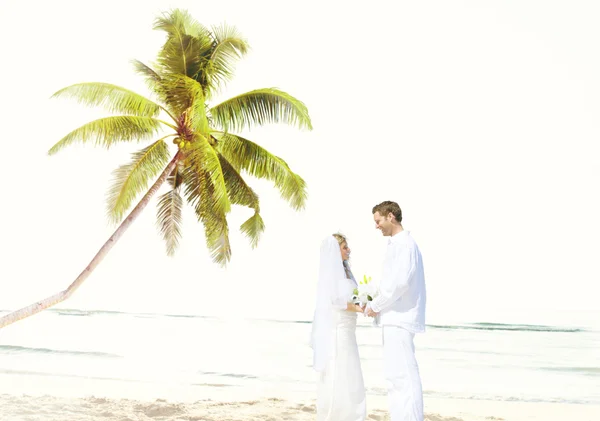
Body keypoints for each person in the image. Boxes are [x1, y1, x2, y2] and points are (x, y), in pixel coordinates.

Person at [365, 201, 426, 421]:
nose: (376, 226)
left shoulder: (405, 245)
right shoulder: (397, 244)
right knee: (394, 377)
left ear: (391, 216)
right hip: (393, 319)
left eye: (378, 221)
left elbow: (399, 284)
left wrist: (375, 305)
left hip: (400, 318)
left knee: (405, 377)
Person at [311, 233, 366, 421]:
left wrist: (364, 302)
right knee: (339, 369)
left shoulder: (347, 271)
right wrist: (358, 308)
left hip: (350, 329)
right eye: (345, 247)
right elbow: (334, 301)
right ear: (336, 250)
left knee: (351, 371)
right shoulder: (331, 273)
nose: (348, 250)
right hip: (340, 328)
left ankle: (352, 413)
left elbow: (352, 296)